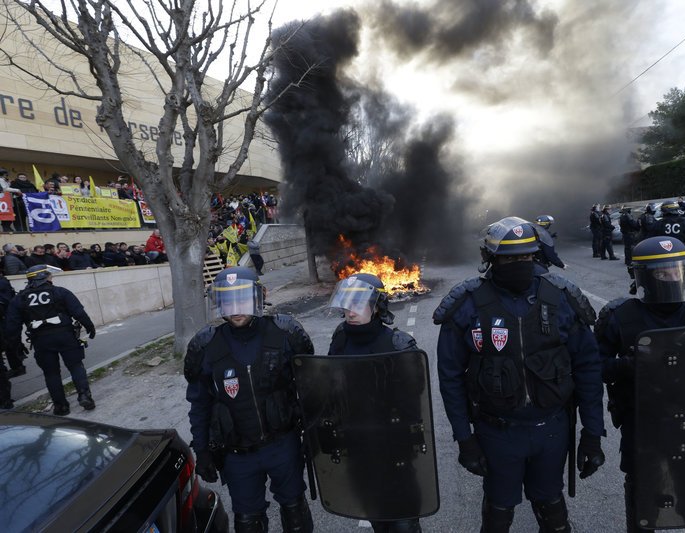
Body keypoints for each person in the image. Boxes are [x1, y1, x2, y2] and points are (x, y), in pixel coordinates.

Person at [434, 216, 605, 533]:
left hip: (552, 430)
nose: (518, 264)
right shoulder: (467, 305)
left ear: (536, 255)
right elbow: (451, 378)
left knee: (552, 510)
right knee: (498, 514)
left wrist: (593, 434)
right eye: (509, 258)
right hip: (497, 433)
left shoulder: (561, 299)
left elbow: (589, 370)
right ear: (490, 259)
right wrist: (464, 439)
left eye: (525, 256)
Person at [594, 236, 685, 533]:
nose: (673, 278)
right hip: (643, 424)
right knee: (644, 503)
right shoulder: (620, 317)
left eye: (678, 271)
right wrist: (626, 365)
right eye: (663, 273)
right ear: (644, 277)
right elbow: (593, 368)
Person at [184, 267, 314, 533]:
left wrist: (316, 436)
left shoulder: (285, 334)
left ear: (258, 296)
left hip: (282, 445)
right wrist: (203, 451)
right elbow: (200, 406)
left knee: (295, 510)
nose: (235, 309)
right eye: (227, 301)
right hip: (237, 454)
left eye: (241, 298)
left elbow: (312, 389)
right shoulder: (205, 347)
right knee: (247, 521)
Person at [326, 272, 422, 533]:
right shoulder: (340, 340)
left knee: (403, 521)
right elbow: (331, 387)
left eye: (357, 304)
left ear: (377, 307)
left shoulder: (397, 345)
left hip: (393, 449)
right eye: (346, 304)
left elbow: (414, 404)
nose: (350, 311)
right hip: (358, 446)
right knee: (376, 514)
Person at [5, 265, 97, 416]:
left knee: (51, 373)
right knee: (75, 366)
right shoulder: (60, 292)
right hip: (65, 336)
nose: (51, 277)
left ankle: (61, 407)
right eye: (49, 275)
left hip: (41, 341)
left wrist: (15, 346)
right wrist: (89, 327)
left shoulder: (19, 298)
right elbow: (78, 312)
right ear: (44, 277)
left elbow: (12, 326)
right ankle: (85, 396)